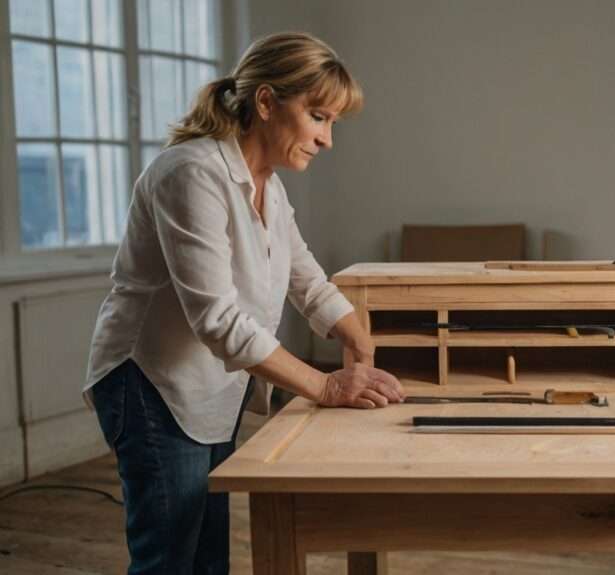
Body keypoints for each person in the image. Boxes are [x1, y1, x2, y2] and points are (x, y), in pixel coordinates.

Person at [83, 32, 405, 574]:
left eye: (331, 123)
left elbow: (305, 277)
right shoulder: (190, 173)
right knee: (168, 559)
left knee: (208, 557)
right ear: (265, 102)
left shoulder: (268, 187)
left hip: (209, 386)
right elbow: (217, 320)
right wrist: (325, 384)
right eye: (319, 117)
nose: (327, 139)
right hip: (151, 384)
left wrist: (356, 334)